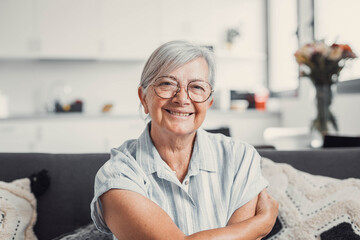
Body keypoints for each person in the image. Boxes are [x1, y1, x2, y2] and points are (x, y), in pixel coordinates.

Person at [91, 40, 278, 240]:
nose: (182, 98)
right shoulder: (118, 174)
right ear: (143, 98)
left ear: (209, 102)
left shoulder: (240, 158)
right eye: (167, 84)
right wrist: (260, 224)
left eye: (197, 87)